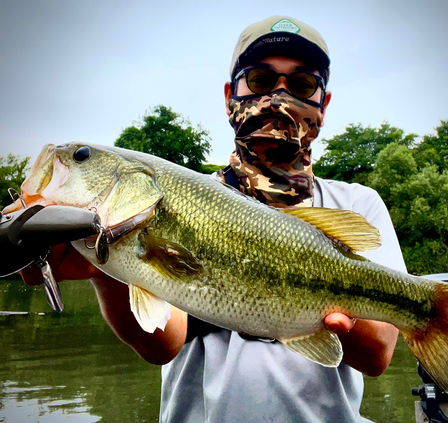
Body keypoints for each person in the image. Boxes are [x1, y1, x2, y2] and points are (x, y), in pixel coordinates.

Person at [20, 16, 405, 423]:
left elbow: (379, 354)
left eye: (302, 85)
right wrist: (104, 268)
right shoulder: (186, 200)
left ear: (323, 105)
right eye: (259, 80)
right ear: (229, 96)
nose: (279, 96)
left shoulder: (357, 203)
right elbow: (162, 344)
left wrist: (320, 307)